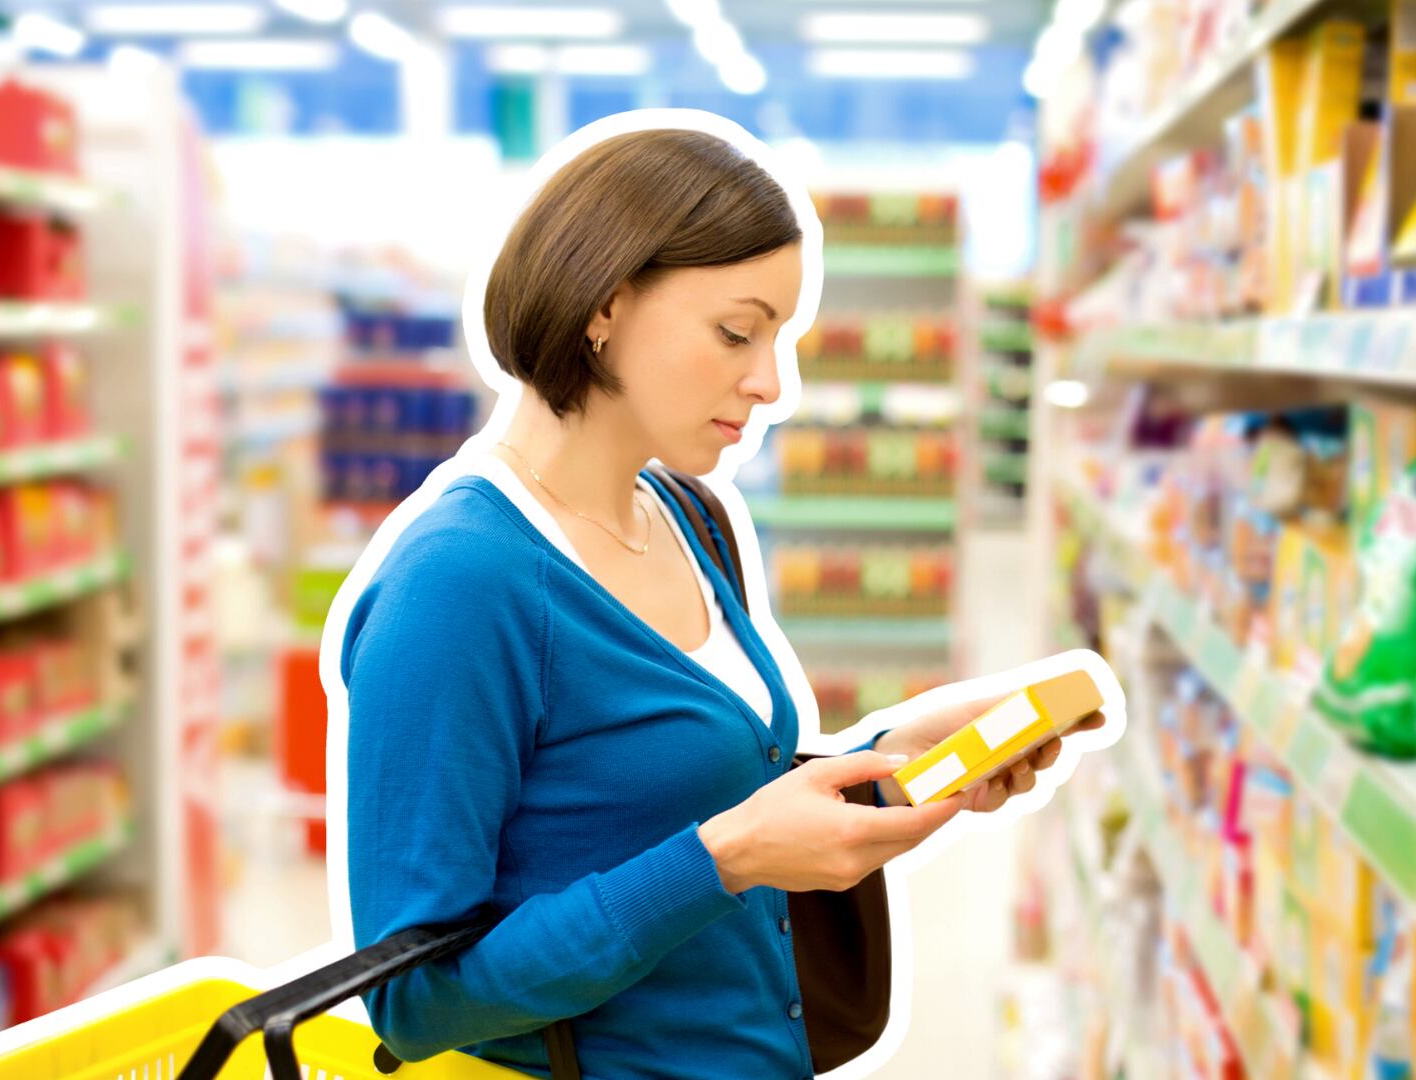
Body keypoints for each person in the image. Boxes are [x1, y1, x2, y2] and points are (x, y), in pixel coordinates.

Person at [340, 127, 1092, 1078]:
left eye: (781, 338)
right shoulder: (461, 585)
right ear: (604, 305)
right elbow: (413, 1001)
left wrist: (893, 760)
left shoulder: (687, 517)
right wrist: (725, 859)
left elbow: (680, 794)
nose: (773, 383)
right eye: (739, 332)